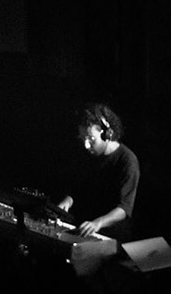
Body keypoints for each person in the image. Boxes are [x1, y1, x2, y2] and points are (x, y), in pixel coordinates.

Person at [56, 102, 140, 239]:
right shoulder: (89, 156)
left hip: (111, 236)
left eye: (91, 139)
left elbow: (124, 208)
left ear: (108, 134)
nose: (86, 145)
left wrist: (98, 223)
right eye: (83, 139)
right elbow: (78, 188)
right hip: (84, 226)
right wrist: (68, 201)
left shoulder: (127, 161)